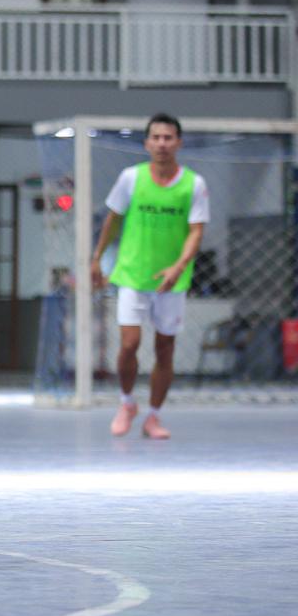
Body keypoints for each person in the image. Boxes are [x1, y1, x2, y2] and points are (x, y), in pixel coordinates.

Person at [91, 113, 209, 439]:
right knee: (129, 344)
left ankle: (154, 417)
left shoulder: (193, 184)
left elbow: (196, 232)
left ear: (178, 143)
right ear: (146, 143)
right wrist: (97, 258)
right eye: (156, 137)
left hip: (172, 280)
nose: (162, 143)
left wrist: (178, 266)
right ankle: (127, 402)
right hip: (132, 273)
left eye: (168, 137)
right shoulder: (130, 178)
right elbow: (112, 221)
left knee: (165, 348)